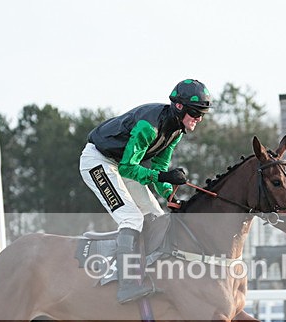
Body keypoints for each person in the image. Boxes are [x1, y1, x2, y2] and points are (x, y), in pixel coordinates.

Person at [79, 79, 211, 304]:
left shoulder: (176, 131)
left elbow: (159, 169)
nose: (199, 119)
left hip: (123, 164)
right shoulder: (148, 127)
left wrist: (171, 196)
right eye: (195, 112)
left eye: (202, 114)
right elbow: (128, 168)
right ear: (179, 107)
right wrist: (162, 177)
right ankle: (126, 284)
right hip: (98, 162)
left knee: (158, 217)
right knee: (131, 218)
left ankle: (152, 273)